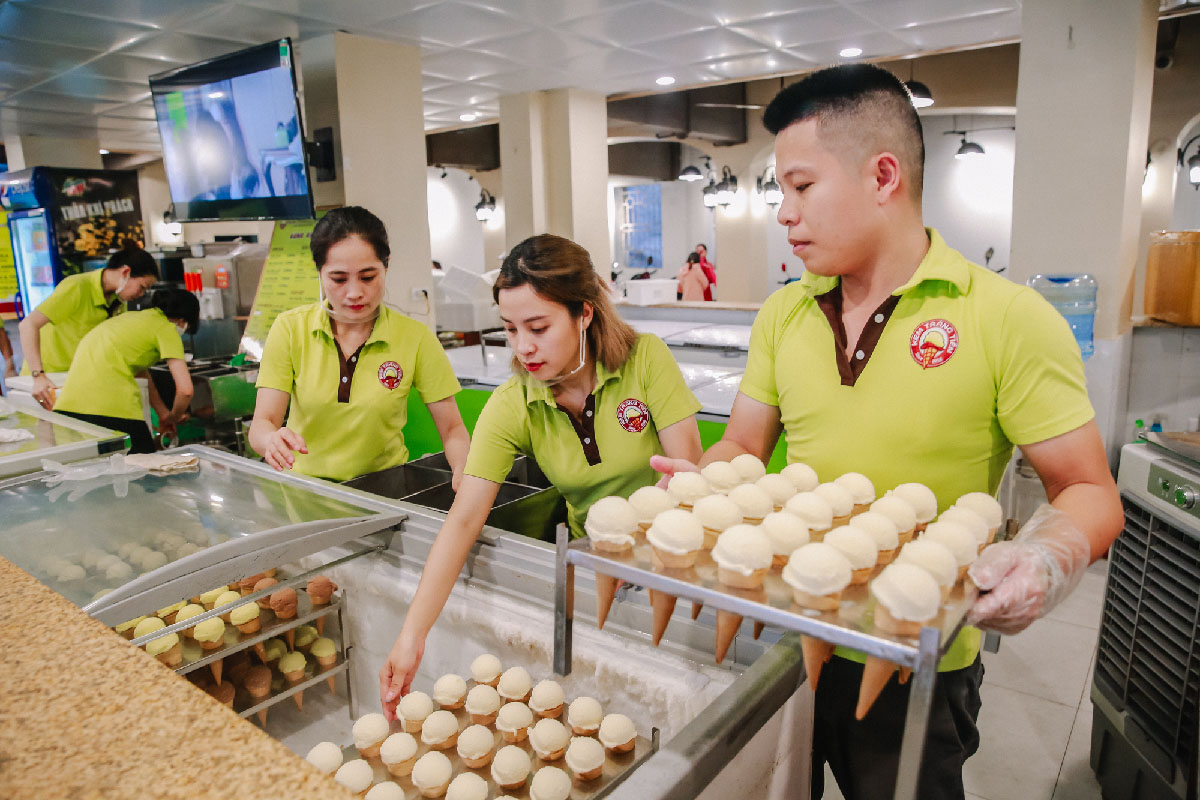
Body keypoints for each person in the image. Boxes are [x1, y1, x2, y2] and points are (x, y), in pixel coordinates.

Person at [652, 64, 1123, 800]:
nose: (783, 213)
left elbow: (1089, 490)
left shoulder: (1004, 318)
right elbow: (743, 444)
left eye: (802, 187)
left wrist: (1042, 561)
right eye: (782, 192)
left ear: (882, 176)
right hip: (786, 625)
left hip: (917, 656)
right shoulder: (784, 315)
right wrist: (706, 481)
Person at [378, 233, 704, 709]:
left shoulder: (645, 360)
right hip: (591, 571)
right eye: (510, 329)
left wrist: (662, 513)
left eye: (538, 327)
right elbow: (465, 519)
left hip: (669, 562)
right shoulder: (515, 403)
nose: (524, 347)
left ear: (584, 313)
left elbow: (686, 469)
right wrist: (411, 635)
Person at [249, 206, 469, 485]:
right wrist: (270, 439)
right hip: (306, 492)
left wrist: (464, 471)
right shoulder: (291, 329)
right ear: (320, 272)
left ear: (386, 266)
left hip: (387, 490)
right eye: (338, 279)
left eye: (368, 277)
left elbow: (452, 429)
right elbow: (262, 423)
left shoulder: (415, 338)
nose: (354, 292)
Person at [53, 287, 198, 454]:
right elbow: (186, 390)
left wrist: (163, 414)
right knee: (146, 470)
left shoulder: (128, 319)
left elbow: (140, 372)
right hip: (112, 409)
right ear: (182, 320)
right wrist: (175, 416)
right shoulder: (166, 327)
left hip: (69, 408)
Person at [19, 241, 159, 409]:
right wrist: (38, 376)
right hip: (47, 381)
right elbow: (28, 325)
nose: (141, 294)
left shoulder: (117, 300)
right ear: (125, 272)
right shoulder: (77, 286)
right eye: (142, 287)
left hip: (75, 380)